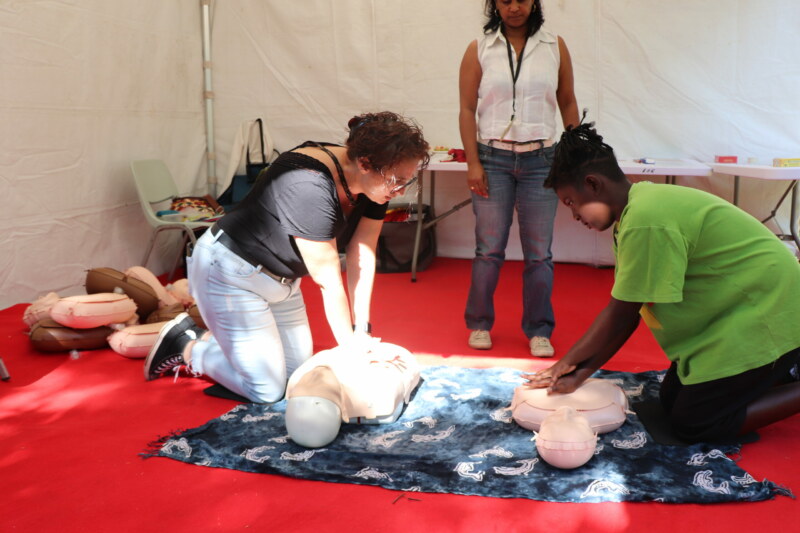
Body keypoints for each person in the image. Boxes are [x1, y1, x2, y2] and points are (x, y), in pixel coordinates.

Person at [525, 120, 800, 443]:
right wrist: (580, 372)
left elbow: (622, 314)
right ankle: (781, 372)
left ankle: (786, 367)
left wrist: (567, 364)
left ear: (593, 184)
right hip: (737, 317)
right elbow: (628, 312)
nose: (573, 215)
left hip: (770, 316)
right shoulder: (638, 209)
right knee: (670, 402)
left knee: (695, 424)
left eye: (571, 202)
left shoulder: (645, 220)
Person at [144, 111, 430, 403]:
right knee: (267, 389)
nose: (400, 191)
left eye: (407, 181)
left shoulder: (375, 182)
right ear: (365, 164)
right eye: (397, 181)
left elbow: (363, 251)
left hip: (282, 282)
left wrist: (362, 329)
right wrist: (351, 349)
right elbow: (328, 280)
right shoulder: (308, 183)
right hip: (231, 273)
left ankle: (220, 343)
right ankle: (187, 344)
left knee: (295, 376)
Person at [459, 0, 579, 356]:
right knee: (488, 250)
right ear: (495, 4)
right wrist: (473, 162)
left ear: (534, 2)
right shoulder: (479, 48)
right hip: (492, 159)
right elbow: (466, 109)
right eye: (505, 0)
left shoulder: (555, 46)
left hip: (542, 160)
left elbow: (567, 101)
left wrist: (575, 154)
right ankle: (480, 323)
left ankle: (539, 329)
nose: (514, 7)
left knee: (539, 254)